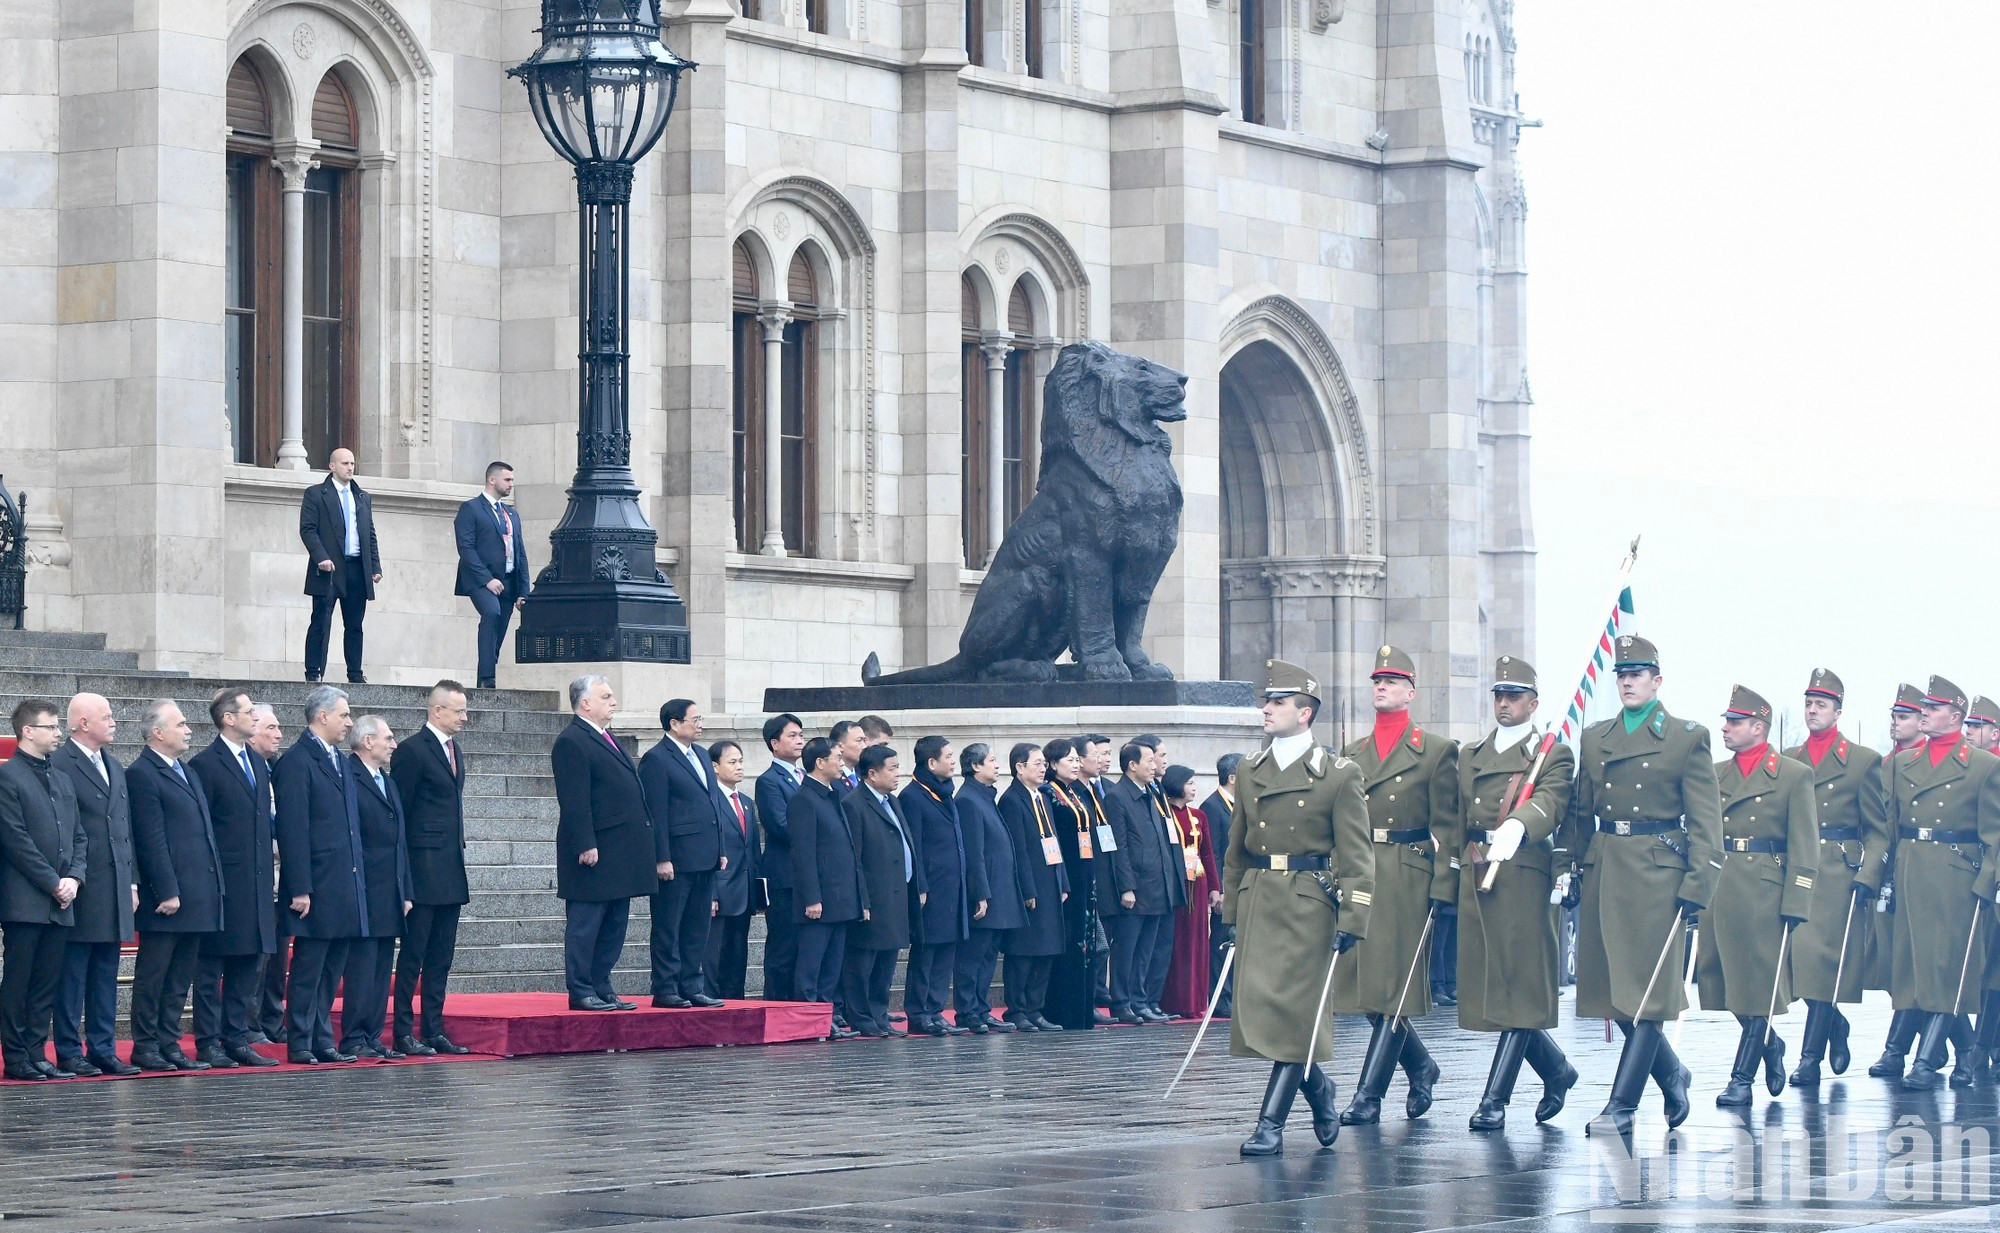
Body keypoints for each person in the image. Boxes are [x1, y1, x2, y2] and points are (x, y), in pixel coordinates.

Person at [1559, 635, 1722, 1136]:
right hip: (1607, 867)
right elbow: (1581, 811)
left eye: (1637, 674)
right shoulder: (1595, 736)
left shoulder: (1686, 738)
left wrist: (1699, 884)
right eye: (1621, 675)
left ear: (1657, 681)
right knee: (1619, 993)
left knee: (1648, 993)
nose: (1627, 682)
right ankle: (1671, 1073)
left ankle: (1622, 1105)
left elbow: (1706, 822)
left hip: (1658, 873)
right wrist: (1569, 865)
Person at [1222, 659, 1374, 1156]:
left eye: (1279, 702)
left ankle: (1270, 1124)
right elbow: (1237, 847)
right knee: (1266, 1013)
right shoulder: (1250, 769)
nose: (1266, 709)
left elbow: (1357, 854)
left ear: (1305, 713)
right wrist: (1231, 911)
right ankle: (1320, 1088)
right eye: (1267, 701)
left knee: (1298, 1014)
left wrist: (1353, 915)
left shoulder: (1339, 774)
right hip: (1261, 897)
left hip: (1309, 901)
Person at [1335, 645, 1459, 1126]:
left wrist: (1444, 885)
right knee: (1366, 990)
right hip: (1362, 871)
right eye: (1376, 680)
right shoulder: (1352, 753)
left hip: (1408, 873)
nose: (1381, 686)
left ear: (1411, 692)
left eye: (1391, 680)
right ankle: (1422, 1065)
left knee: (1393, 989)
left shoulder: (1436, 750)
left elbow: (1448, 826)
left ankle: (1369, 1096)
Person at [1454, 656, 1577, 1132]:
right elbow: (1457, 816)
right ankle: (1556, 1069)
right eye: (1499, 695)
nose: (1504, 703)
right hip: (1478, 868)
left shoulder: (1551, 753)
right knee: (1496, 985)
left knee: (1520, 984)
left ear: (1534, 703)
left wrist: (1519, 824)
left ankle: (1495, 1099)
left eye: (1514, 696)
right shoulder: (1472, 753)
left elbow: (1551, 800)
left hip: (1522, 871)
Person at [1698, 685, 1817, 1107]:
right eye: (1726, 721)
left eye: (1735, 722)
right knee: (1725, 980)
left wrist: (1798, 900)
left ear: (1758, 727)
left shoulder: (1792, 774)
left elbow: (1805, 845)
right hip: (1721, 884)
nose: (1726, 728)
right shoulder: (1714, 773)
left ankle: (1741, 1079)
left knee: (1759, 984)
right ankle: (1770, 1043)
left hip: (1765, 887)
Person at [1883, 675, 2000, 1090]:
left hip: (1956, 875)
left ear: (1955, 716)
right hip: (1911, 868)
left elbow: (1995, 835)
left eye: (1933, 709)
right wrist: (1883, 876)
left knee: (1948, 968)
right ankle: (1965, 1048)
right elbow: (1890, 825)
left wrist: (1987, 882)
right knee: (1916, 971)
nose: (1925, 714)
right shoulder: (1902, 763)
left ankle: (1925, 1061)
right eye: (1925, 708)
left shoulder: (1984, 766)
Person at [1779, 669, 1888, 1087]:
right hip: (1797, 867)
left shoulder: (1861, 761)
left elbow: (1877, 829)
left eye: (1821, 704)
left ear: (1838, 711)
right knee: (1798, 962)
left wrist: (1869, 872)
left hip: (1838, 872)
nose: (1812, 710)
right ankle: (1836, 1024)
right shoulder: (1788, 758)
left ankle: (1809, 1059)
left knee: (1822, 963)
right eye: (1808, 703)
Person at [127, 698, 225, 1072]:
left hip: (196, 893)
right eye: (180, 724)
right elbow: (150, 838)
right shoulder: (142, 773)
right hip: (167, 898)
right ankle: (145, 1045)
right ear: (157, 732)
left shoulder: (185, 770)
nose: (188, 730)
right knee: (154, 976)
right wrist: (167, 889)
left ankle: (168, 1042)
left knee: (180, 977)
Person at [550, 676, 658, 1012]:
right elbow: (574, 799)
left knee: (614, 923)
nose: (613, 702)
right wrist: (585, 843)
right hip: (595, 850)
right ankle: (581, 988)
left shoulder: (605, 736)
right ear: (585, 703)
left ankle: (601, 984)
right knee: (586, 924)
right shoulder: (572, 741)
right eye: (606, 696)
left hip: (620, 851)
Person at [275, 685, 368, 1063]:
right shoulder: (296, 761)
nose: (349, 722)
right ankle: (300, 1040)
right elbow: (292, 829)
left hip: (343, 881)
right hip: (315, 885)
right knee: (309, 967)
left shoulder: (340, 761)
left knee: (332, 968)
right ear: (323, 715)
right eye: (344, 715)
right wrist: (300, 887)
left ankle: (322, 1038)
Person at [188, 688, 280, 1068]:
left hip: (256, 882)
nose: (255, 718)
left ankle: (237, 1037)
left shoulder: (257, 762)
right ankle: (209, 1041)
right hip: (223, 882)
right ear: (228, 718)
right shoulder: (205, 764)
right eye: (248, 712)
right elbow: (201, 829)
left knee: (247, 964)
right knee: (211, 968)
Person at [50, 692, 139, 1077]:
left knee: (105, 973)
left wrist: (132, 882)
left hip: (115, 886)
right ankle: (69, 1050)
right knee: (72, 975)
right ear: (83, 723)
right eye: (106, 716)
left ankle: (103, 1048)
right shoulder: (60, 763)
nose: (114, 721)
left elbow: (125, 828)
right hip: (82, 887)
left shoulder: (113, 765)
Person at [0, 699, 86, 1081]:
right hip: (25, 901)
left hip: (61, 901)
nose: (58, 733)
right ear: (27, 731)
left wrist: (75, 878)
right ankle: (16, 1056)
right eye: (50, 726)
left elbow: (79, 836)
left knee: (46, 984)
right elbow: (15, 840)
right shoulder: (8, 777)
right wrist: (54, 882)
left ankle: (37, 1052)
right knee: (18, 983)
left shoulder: (62, 779)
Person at [390, 681, 472, 1055]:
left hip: (450, 869)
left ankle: (434, 1029)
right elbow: (401, 814)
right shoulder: (412, 751)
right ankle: (403, 1031)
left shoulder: (454, 749)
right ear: (437, 711)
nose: (465, 717)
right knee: (413, 956)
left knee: (442, 957)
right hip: (422, 872)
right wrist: (404, 876)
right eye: (459, 711)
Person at [639, 699, 730, 1009]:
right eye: (695, 719)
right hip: (676, 859)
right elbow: (656, 812)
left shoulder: (702, 755)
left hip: (705, 855)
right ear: (674, 724)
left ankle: (692, 984)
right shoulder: (657, 759)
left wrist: (720, 848)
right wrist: (661, 857)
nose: (700, 724)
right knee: (669, 925)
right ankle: (666, 987)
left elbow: (713, 804)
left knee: (697, 926)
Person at [1866, 682, 1929, 1077]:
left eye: (1903, 716)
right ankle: (1959, 1044)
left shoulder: (1927, 764)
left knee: (1917, 968)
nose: (1895, 723)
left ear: (1922, 721)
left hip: (1921, 872)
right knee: (1895, 967)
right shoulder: (1885, 764)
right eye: (1893, 716)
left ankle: (1898, 1050)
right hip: (1889, 873)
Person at [342, 716, 413, 1059]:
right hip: (364, 888)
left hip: (390, 890)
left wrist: (406, 890)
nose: (394, 744)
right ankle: (354, 1037)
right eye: (388, 738)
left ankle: (372, 1036)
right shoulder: (348, 776)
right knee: (362, 967)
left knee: (382, 967)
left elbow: (400, 841)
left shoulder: (386, 780)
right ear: (368, 741)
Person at [841, 744, 924, 1036]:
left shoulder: (893, 801)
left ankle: (879, 1015)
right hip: (874, 897)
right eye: (892, 768)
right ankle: (861, 1017)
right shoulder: (854, 804)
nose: (897, 773)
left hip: (897, 893)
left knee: (887, 961)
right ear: (872, 773)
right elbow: (854, 859)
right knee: (863, 962)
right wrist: (862, 899)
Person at [788, 736, 865, 1035]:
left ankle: (825, 1017)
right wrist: (811, 897)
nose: (842, 763)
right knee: (812, 965)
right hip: (819, 900)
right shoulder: (804, 799)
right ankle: (808, 1020)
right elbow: (803, 854)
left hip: (840, 898)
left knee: (831, 967)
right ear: (819, 762)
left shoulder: (832, 795)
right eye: (837, 758)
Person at [1101, 742, 1176, 1025]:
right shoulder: (1117, 796)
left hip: (1156, 885)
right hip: (1135, 887)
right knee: (1126, 950)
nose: (1154, 766)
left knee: (1146, 950)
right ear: (1132, 765)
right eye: (1148, 761)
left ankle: (1139, 1000)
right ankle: (1122, 1002)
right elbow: (1119, 846)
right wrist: (1126, 887)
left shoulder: (1150, 793)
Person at [901, 735, 970, 1036]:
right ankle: (919, 1013)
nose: (953, 761)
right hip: (930, 890)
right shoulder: (913, 796)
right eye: (948, 756)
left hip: (952, 887)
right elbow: (914, 846)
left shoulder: (945, 793)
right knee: (926, 953)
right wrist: (920, 886)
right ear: (931, 762)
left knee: (945, 953)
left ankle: (935, 1009)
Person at [955, 743, 1026, 1034]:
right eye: (992, 760)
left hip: (1000, 891)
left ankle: (981, 1009)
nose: (997, 765)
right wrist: (980, 894)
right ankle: (967, 1011)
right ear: (975, 766)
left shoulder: (985, 796)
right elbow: (975, 853)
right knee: (973, 957)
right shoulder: (968, 800)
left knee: (987, 957)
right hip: (985, 893)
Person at [999, 742, 1068, 1032]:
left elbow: (1054, 841)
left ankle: (1035, 1008)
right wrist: (1027, 889)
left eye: (1044, 764)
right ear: (1019, 767)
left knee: (1047, 948)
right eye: (1037, 763)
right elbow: (1019, 849)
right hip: (1032, 888)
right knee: (1024, 951)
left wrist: (1063, 880)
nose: (1043, 769)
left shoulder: (1042, 797)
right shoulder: (1012, 800)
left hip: (1051, 882)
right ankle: (1017, 1008)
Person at [299, 447, 381, 684]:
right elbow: (308, 529)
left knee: (355, 624)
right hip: (329, 569)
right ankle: (313, 671)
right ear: (332, 466)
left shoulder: (362, 497)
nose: (350, 468)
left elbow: (369, 534)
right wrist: (321, 557)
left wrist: (375, 566)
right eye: (345, 463)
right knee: (321, 621)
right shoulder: (316, 494)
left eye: (352, 463)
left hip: (357, 568)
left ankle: (355, 673)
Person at [454, 461, 533, 689]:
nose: (511, 484)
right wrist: (487, 579)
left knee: (500, 627)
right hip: (480, 579)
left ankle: (487, 674)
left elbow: (520, 553)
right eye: (507, 480)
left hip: (508, 581)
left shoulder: (511, 514)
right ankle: (487, 678)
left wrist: (523, 591)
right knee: (491, 613)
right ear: (492, 479)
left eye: (512, 480)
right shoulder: (471, 509)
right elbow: (466, 548)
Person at [1043, 738, 1101, 1031]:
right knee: (1068, 940)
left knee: (1085, 941)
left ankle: (1083, 1009)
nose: (1076, 764)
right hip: (1067, 876)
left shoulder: (1074, 793)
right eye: (1070, 759)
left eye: (1078, 759)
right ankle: (1062, 1010)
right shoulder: (1048, 794)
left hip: (1085, 875)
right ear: (1053, 764)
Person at [1161, 764, 1219, 1019]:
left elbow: (1208, 852)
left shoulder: (1199, 816)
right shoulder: (1164, 813)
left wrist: (1215, 886)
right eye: (1189, 783)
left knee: (1198, 940)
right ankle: (1174, 1000)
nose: (1194, 788)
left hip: (1198, 881)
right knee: (1177, 941)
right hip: (1177, 883)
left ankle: (1195, 999)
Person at [755, 713, 805, 1000]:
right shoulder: (769, 781)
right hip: (784, 877)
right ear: (775, 743)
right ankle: (777, 1005)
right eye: (792, 735)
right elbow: (780, 825)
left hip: (807, 876)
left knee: (805, 948)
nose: (799, 741)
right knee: (783, 947)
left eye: (801, 735)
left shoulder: (807, 777)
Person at [706, 739, 761, 1000]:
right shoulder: (709, 800)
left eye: (741, 761)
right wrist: (712, 893)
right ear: (715, 767)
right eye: (732, 762)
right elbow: (708, 849)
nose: (739, 767)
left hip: (744, 892)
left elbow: (753, 850)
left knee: (738, 956)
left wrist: (759, 892)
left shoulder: (746, 802)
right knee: (714, 956)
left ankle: (736, 1004)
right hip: (721, 891)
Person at [250, 704, 290, 1043]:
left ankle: (272, 1022)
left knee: (277, 961)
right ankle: (249, 1025)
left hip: (281, 879)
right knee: (256, 960)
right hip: (256, 879)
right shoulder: (246, 769)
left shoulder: (278, 768)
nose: (279, 735)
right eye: (271, 728)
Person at [1078, 733, 1116, 1022]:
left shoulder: (1105, 789)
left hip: (1103, 873)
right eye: (1098, 753)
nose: (1104, 759)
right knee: (1093, 944)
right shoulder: (1073, 793)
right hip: (1084, 877)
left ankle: (1098, 993)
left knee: (1102, 943)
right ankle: (1089, 998)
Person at [1200, 753, 1240, 1017]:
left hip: (1241, 886)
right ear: (1232, 777)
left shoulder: (1241, 804)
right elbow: (1212, 852)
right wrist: (1219, 889)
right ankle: (1220, 998)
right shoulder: (1212, 806)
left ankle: (1234, 995)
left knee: (1237, 942)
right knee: (1222, 943)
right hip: (1225, 889)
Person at [830, 721, 866, 796]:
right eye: (859, 740)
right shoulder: (831, 779)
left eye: (864, 740)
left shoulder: (863, 778)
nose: (864, 746)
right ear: (840, 746)